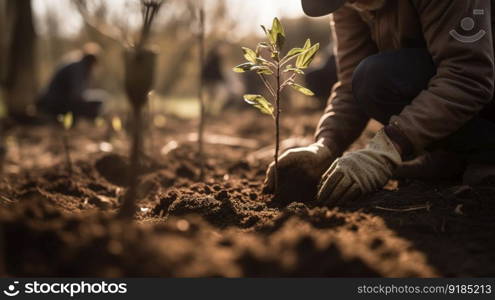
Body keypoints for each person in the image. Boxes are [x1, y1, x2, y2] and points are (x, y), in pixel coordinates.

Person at [264, 0, 495, 205]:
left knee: (377, 75)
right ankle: (455, 156)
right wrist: (325, 147)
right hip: (461, 88)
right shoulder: (349, 4)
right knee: (372, 80)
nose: (352, 4)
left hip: (484, 84)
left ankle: (486, 152)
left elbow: (467, 76)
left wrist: (390, 145)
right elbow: (349, 86)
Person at [37, 43, 106, 121]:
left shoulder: (77, 65)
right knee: (99, 100)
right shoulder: (78, 68)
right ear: (91, 61)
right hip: (54, 103)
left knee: (99, 97)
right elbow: (76, 94)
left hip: (52, 101)